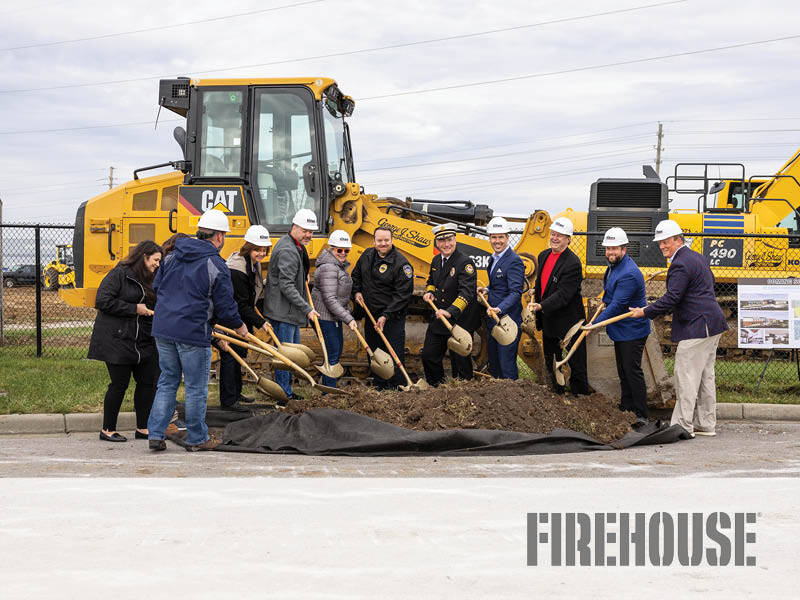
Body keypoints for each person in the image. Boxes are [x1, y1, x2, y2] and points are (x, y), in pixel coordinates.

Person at [147, 209, 247, 452]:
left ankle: (156, 433)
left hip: (163, 328)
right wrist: (239, 326)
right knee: (195, 386)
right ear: (220, 237)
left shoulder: (171, 257)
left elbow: (157, 287)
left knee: (167, 382)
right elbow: (225, 305)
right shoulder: (216, 264)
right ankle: (196, 438)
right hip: (193, 332)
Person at [629, 220, 727, 437]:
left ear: (678, 239)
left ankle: (682, 425)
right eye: (660, 242)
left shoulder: (680, 264)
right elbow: (709, 281)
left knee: (686, 375)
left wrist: (644, 312)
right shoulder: (697, 257)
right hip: (713, 322)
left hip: (698, 326)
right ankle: (706, 423)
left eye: (666, 242)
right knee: (704, 376)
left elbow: (673, 297)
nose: (662, 246)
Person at [88, 240, 162, 442]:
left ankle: (143, 428)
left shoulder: (152, 277)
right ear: (144, 256)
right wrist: (134, 309)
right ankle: (107, 429)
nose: (157, 264)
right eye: (155, 260)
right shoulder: (119, 274)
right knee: (119, 384)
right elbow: (102, 301)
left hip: (143, 339)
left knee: (148, 382)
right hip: (116, 338)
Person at [588, 227, 651, 427]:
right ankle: (626, 409)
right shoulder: (613, 267)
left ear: (624, 249)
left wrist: (594, 324)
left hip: (632, 330)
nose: (610, 252)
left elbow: (618, 306)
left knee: (632, 371)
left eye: (614, 248)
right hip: (621, 330)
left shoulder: (629, 274)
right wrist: (602, 302)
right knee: (623, 371)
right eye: (607, 249)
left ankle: (641, 414)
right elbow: (610, 296)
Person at [263, 208, 320, 398]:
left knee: (291, 355)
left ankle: (286, 391)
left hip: (288, 312)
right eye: (305, 230)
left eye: (311, 232)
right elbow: (286, 286)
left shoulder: (295, 245)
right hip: (284, 312)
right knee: (286, 357)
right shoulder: (288, 249)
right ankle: (283, 394)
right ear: (294, 227)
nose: (309, 235)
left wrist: (303, 274)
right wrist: (307, 309)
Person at [529, 216, 589, 395]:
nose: (554, 238)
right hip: (549, 320)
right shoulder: (544, 255)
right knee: (552, 360)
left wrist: (541, 306)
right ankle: (557, 394)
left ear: (568, 240)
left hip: (569, 322)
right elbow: (543, 283)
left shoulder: (573, 263)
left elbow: (564, 295)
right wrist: (536, 292)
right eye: (553, 234)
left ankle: (581, 397)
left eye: (560, 236)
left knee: (577, 363)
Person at [351, 225, 414, 389]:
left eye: (386, 240)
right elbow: (356, 275)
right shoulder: (366, 256)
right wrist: (357, 292)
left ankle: (397, 388)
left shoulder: (402, 264)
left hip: (391, 318)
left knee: (393, 353)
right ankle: (380, 386)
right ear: (374, 241)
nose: (383, 243)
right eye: (379, 240)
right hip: (371, 315)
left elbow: (403, 295)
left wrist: (386, 315)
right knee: (375, 352)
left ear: (392, 241)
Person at [219, 225, 272, 411]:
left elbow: (250, 298)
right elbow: (240, 303)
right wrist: (261, 322)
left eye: (264, 250)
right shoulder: (237, 269)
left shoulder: (252, 264)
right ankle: (228, 400)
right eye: (258, 249)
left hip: (242, 317)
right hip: (231, 319)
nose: (261, 253)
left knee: (240, 355)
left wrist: (256, 318)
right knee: (230, 356)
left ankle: (236, 392)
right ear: (248, 247)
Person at [421, 223, 479, 386]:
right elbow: (431, 281)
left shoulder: (465, 262)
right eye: (442, 240)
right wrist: (430, 291)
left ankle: (464, 394)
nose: (446, 244)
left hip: (459, 320)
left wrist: (451, 311)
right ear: (436, 243)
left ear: (455, 239)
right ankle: (439, 388)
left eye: (449, 239)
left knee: (460, 363)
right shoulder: (435, 260)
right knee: (429, 356)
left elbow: (467, 292)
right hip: (439, 318)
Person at [478, 216, 525, 380]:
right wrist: (487, 289)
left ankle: (513, 398)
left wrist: (500, 308)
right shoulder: (494, 258)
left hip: (507, 320)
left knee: (506, 364)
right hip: (493, 319)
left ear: (507, 237)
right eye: (493, 237)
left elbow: (515, 293)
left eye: (500, 237)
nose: (497, 241)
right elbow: (498, 284)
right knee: (495, 363)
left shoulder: (514, 261)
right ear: (489, 238)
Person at [312, 230, 358, 387]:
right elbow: (330, 299)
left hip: (333, 317)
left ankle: (328, 387)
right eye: (339, 250)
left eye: (346, 250)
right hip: (325, 317)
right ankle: (328, 391)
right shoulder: (329, 268)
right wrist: (348, 318)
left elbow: (340, 297)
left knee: (335, 352)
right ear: (331, 249)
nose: (343, 253)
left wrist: (347, 312)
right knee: (332, 354)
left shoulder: (338, 266)